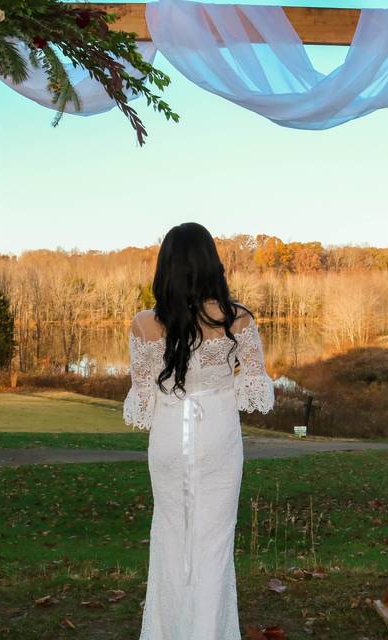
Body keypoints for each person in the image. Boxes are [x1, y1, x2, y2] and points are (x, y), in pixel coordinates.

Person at [124, 222, 275, 639]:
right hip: (218, 438)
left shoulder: (145, 324)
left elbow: (141, 399)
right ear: (212, 264)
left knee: (170, 539)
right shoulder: (237, 319)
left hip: (170, 437)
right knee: (213, 546)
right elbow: (255, 389)